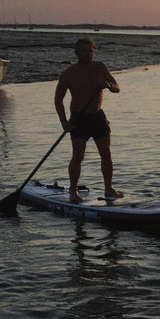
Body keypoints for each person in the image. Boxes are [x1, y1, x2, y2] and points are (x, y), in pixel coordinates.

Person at [53, 38, 121, 202]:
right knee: (78, 156)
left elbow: (117, 87)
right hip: (79, 118)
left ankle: (108, 189)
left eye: (90, 51)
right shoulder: (69, 73)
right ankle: (73, 191)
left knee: (106, 154)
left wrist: (109, 86)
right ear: (77, 53)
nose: (88, 54)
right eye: (84, 51)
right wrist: (64, 122)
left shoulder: (100, 67)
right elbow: (58, 100)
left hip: (98, 117)